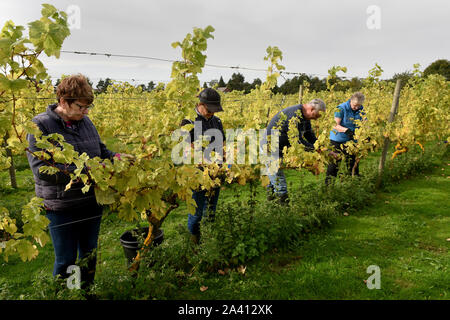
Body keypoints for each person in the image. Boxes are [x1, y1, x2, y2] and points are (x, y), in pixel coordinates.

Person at [26, 74, 130, 292]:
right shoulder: (40, 126)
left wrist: (116, 158)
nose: (86, 112)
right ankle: (66, 296)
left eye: (88, 107)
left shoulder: (85, 121)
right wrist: (88, 172)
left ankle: (86, 293)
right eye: (82, 107)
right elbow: (43, 170)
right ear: (64, 101)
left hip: (90, 202)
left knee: (89, 255)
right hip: (62, 206)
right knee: (66, 261)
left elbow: (100, 150)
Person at [263, 99, 335, 204]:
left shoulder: (304, 117)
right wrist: (316, 150)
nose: (316, 119)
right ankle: (283, 211)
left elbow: (310, 136)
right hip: (270, 148)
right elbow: (297, 142)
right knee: (279, 182)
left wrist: (324, 149)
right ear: (311, 109)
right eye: (317, 115)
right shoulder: (294, 115)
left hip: (280, 148)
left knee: (274, 180)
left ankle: (272, 207)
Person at [182, 88, 226, 244]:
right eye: (209, 109)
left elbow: (222, 144)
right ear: (200, 104)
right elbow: (185, 150)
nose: (211, 113)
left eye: (214, 110)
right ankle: (194, 242)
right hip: (198, 174)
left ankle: (208, 240)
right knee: (197, 213)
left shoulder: (216, 121)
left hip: (216, 172)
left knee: (211, 210)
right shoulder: (189, 122)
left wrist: (223, 163)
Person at [325, 92, 365, 185]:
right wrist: (346, 130)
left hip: (351, 141)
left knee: (352, 163)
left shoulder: (361, 110)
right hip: (337, 140)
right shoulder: (341, 108)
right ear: (351, 101)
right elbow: (335, 125)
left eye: (359, 106)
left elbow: (364, 123)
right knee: (334, 164)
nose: (356, 108)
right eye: (355, 105)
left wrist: (365, 133)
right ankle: (328, 187)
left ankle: (352, 185)